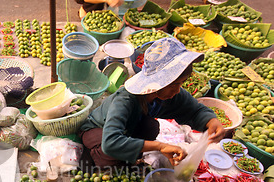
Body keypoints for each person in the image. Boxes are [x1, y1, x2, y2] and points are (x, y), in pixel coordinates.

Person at [79, 37, 226, 168]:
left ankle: (128, 156)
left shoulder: (172, 95)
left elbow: (195, 110)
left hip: (128, 127)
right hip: (97, 129)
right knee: (110, 154)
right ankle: (93, 156)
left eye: (181, 83)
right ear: (158, 82)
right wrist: (160, 146)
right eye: (174, 84)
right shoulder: (125, 99)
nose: (177, 90)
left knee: (151, 127)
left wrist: (211, 121)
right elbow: (111, 142)